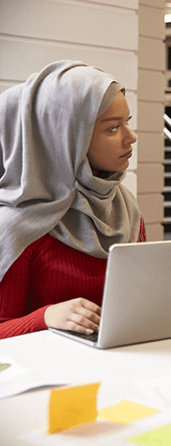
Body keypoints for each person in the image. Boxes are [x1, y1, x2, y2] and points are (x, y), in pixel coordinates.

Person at [0, 61, 146, 340]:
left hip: (124, 361)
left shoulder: (124, 207)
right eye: (113, 128)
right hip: (51, 374)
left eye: (127, 123)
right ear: (66, 138)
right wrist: (45, 317)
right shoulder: (17, 226)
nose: (131, 137)